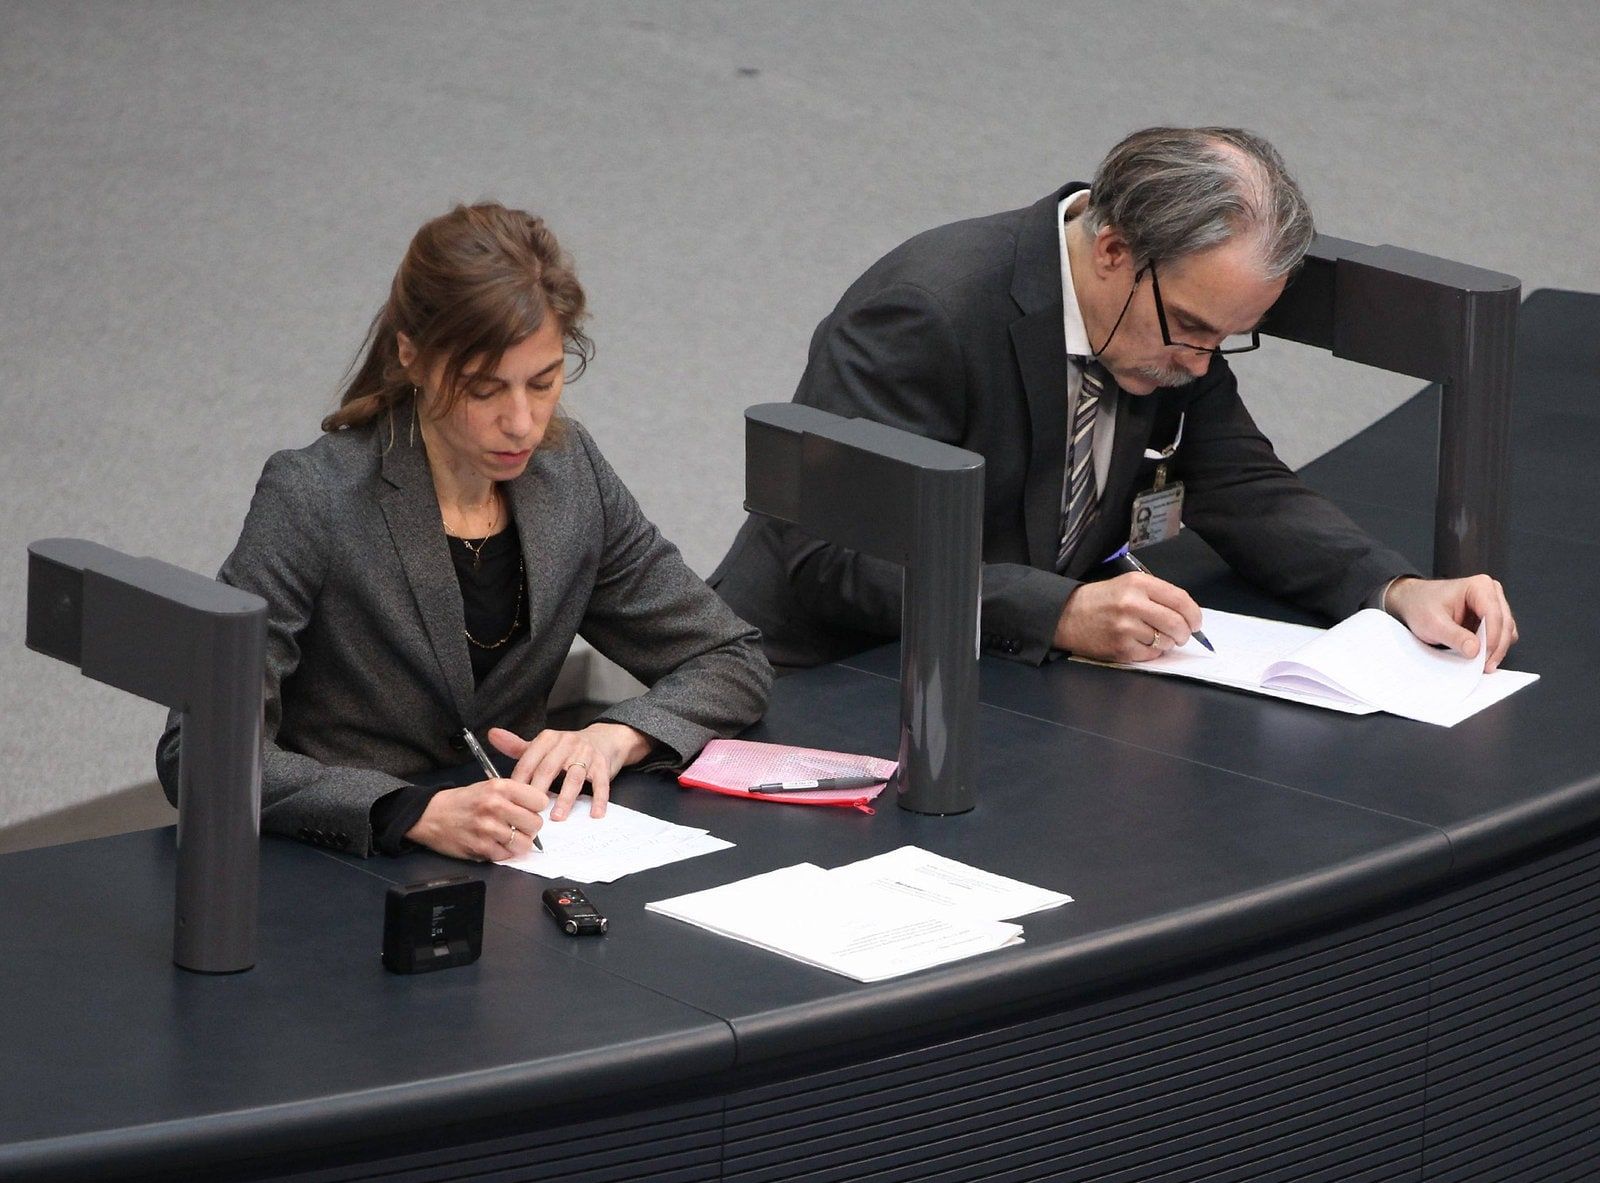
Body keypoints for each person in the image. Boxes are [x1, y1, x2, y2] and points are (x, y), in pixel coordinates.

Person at [713, 125, 1518, 672]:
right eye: (1194, 329)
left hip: (996, 668)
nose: (1202, 368)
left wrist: (1396, 590)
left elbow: (1240, 486)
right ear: (1113, 251)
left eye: (1226, 338)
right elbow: (833, 557)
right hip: (822, 669)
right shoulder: (926, 311)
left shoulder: (1161, 332)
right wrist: (1057, 612)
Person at [157, 203, 771, 860]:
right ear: (411, 358)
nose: (523, 423)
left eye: (544, 382)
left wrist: (614, 736)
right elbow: (200, 751)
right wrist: (406, 809)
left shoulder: (570, 474)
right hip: (339, 864)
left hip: (513, 859)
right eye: (484, 390)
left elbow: (727, 658)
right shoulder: (315, 499)